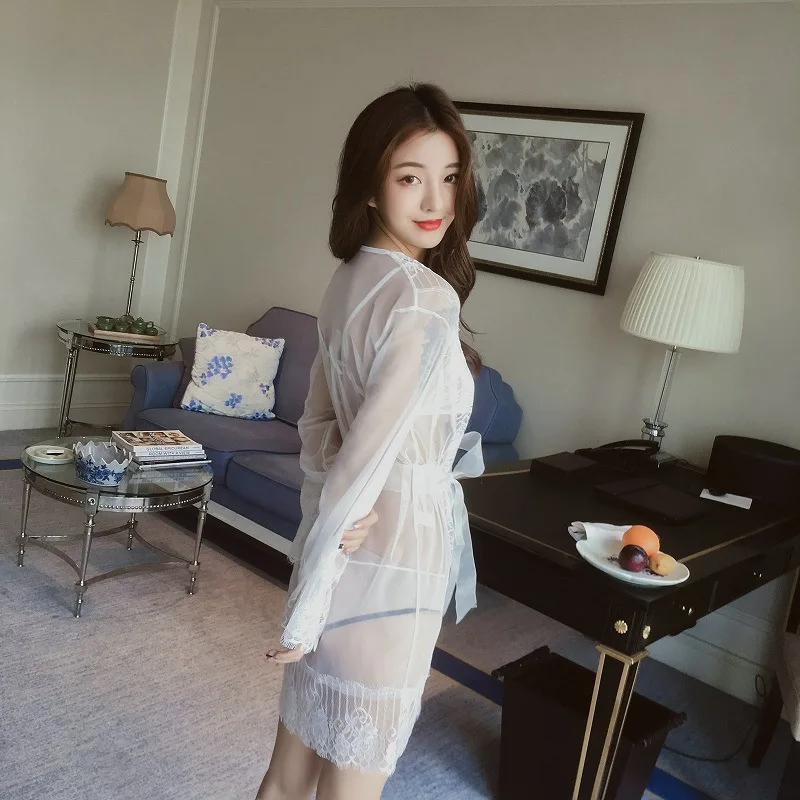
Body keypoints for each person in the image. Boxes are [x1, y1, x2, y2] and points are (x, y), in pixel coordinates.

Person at [256, 83, 485, 800]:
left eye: (449, 177)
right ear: (370, 185)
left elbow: (321, 431)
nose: (436, 201)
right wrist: (308, 599)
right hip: (395, 559)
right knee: (352, 786)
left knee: (287, 776)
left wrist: (320, 550)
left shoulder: (348, 277)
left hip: (349, 544)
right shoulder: (424, 298)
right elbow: (363, 454)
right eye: (410, 178)